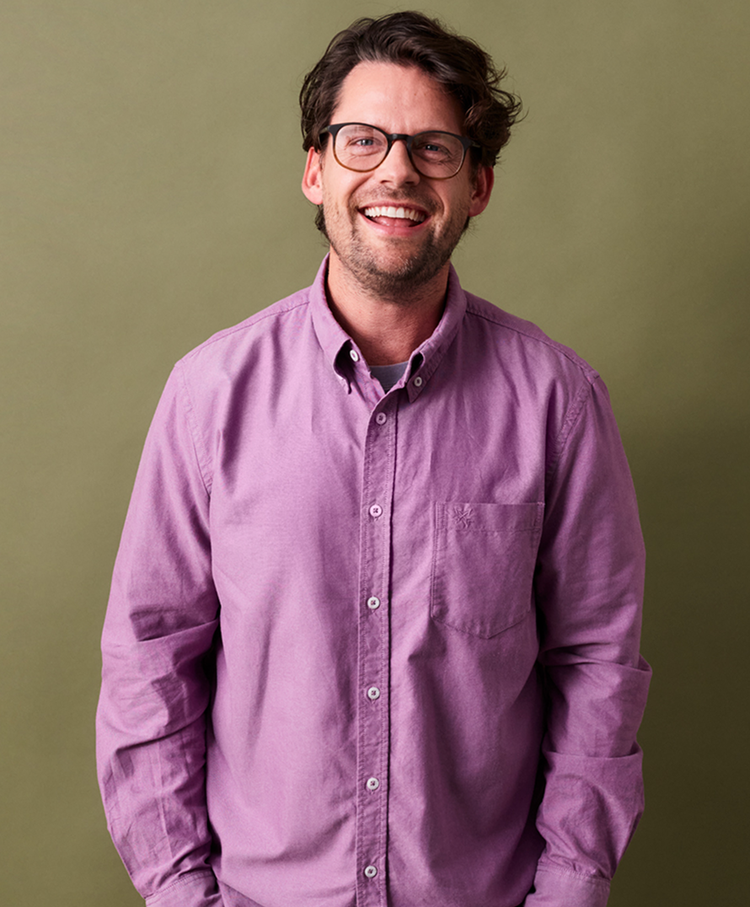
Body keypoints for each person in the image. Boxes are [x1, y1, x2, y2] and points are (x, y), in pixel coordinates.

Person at [96, 11, 651, 907]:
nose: (397, 171)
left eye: (434, 147)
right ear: (316, 169)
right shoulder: (208, 396)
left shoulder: (561, 403)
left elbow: (598, 669)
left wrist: (568, 891)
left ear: (478, 185)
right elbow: (148, 663)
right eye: (363, 140)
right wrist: (179, 892)